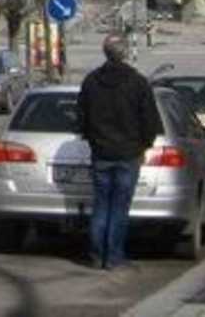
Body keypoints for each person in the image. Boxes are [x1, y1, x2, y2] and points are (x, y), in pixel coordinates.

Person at [79, 35, 162, 271]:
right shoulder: (137, 82)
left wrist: (92, 139)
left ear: (105, 52)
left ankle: (97, 255)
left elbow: (81, 116)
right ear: (124, 53)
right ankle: (114, 257)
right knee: (119, 207)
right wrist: (145, 144)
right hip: (129, 153)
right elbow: (150, 119)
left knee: (101, 205)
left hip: (101, 152)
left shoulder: (91, 81)